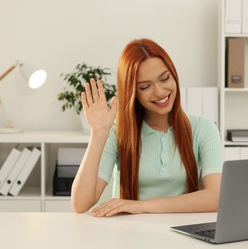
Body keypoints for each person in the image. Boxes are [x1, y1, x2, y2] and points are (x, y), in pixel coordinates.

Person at [71, 38, 223, 217]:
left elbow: (216, 198)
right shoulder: (118, 133)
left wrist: (141, 206)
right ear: (133, 93)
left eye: (165, 78)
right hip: (130, 235)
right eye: (145, 87)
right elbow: (80, 204)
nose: (159, 92)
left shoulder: (203, 128)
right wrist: (98, 133)